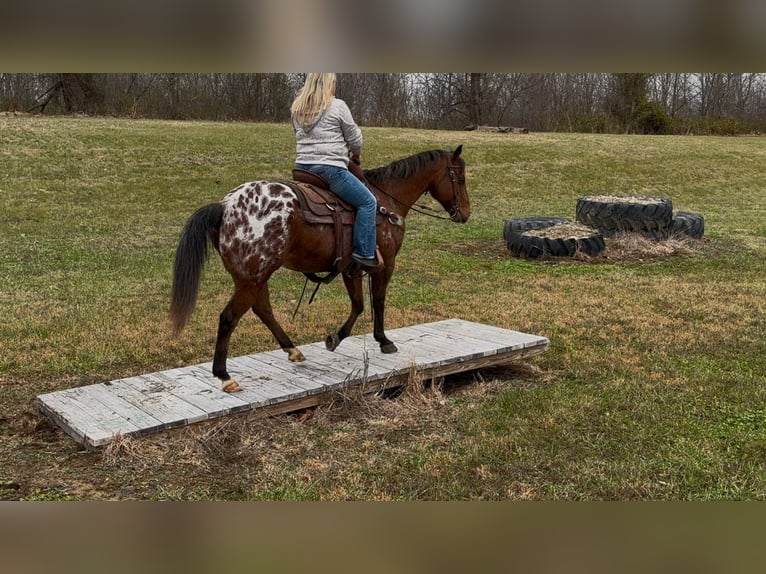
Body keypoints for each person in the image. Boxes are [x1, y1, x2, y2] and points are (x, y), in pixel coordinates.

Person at [291, 73, 378, 268]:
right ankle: (364, 253)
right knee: (368, 202)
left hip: (302, 170)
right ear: (329, 83)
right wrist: (356, 155)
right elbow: (355, 139)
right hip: (330, 171)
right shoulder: (337, 106)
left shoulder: (297, 108)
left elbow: (297, 135)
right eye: (334, 83)